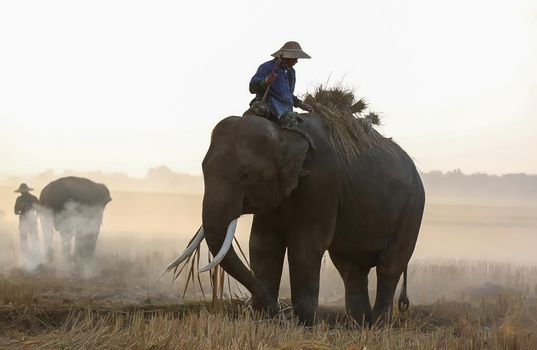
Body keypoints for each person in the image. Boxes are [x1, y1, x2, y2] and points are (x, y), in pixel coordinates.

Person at [247, 41, 313, 127]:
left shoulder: (291, 72)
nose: (296, 61)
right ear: (286, 57)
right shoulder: (267, 67)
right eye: (294, 58)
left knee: (295, 127)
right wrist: (265, 82)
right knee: (255, 116)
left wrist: (300, 104)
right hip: (268, 104)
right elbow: (252, 87)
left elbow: (288, 94)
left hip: (285, 110)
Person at [14, 183, 39, 256]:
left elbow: (15, 212)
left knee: (24, 239)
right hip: (31, 221)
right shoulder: (34, 198)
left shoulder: (19, 199)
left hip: (24, 221)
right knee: (33, 238)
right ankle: (35, 253)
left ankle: (26, 255)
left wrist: (21, 209)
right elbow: (39, 209)